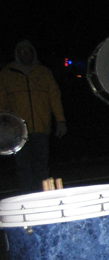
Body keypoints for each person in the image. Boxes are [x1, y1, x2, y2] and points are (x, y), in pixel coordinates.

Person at [0, 40, 67, 192]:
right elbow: (1, 101)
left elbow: (54, 97)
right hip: (18, 132)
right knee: (23, 167)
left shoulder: (44, 72)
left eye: (28, 51)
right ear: (16, 54)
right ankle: (27, 195)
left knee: (41, 166)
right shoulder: (7, 74)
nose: (25, 54)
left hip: (41, 128)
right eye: (21, 51)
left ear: (33, 53)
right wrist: (4, 125)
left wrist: (61, 120)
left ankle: (43, 196)